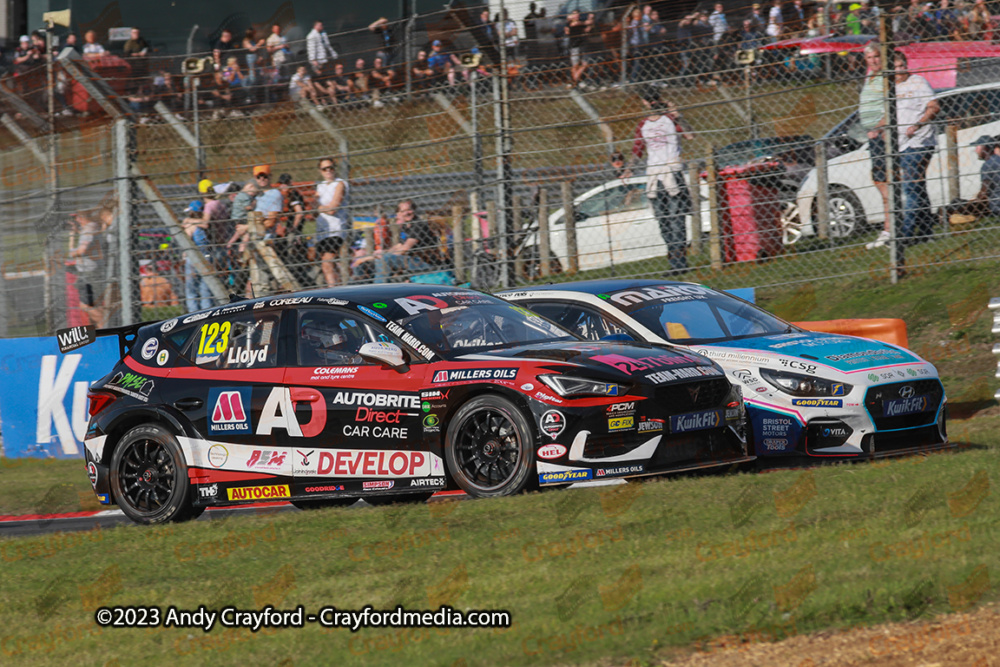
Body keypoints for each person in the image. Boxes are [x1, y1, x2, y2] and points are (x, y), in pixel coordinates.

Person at [867, 50, 940, 249]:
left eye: (902, 66)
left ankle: (903, 236)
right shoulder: (890, 88)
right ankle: (926, 233)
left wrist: (918, 124)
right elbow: (891, 115)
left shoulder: (918, 82)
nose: (899, 71)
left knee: (910, 187)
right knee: (917, 186)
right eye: (895, 67)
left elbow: (934, 106)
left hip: (919, 142)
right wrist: (877, 128)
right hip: (900, 144)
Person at [632, 90, 694, 274]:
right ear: (644, 102)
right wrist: (628, 169)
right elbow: (637, 148)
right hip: (654, 175)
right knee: (663, 220)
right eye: (649, 100)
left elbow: (690, 135)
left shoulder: (671, 120)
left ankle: (680, 263)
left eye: (655, 99)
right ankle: (673, 260)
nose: (652, 103)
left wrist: (678, 114)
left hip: (672, 172)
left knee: (677, 219)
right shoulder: (642, 124)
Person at [353, 200, 442, 283]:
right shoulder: (405, 227)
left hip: (423, 262)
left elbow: (404, 249)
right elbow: (398, 246)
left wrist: (383, 254)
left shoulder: (418, 225)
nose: (407, 213)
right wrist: (375, 255)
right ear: (398, 213)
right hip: (410, 261)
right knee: (366, 264)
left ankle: (378, 288)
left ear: (414, 210)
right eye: (403, 211)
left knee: (385, 259)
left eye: (409, 210)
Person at [946, 135, 1000, 220]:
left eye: (977, 147)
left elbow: (984, 192)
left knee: (957, 203)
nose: (975, 150)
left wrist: (972, 203)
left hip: (996, 207)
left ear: (985, 148)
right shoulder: (997, 160)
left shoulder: (987, 165)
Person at [67, 210, 106, 326]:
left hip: (89, 272)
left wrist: (72, 254)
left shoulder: (89, 229)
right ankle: (103, 327)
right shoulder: (90, 228)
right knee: (94, 305)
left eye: (77, 218)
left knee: (85, 305)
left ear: (82, 217)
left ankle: (106, 325)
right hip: (89, 271)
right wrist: (75, 233)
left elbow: (82, 250)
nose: (77, 220)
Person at [315, 156, 349, 287]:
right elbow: (313, 207)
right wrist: (321, 208)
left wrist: (318, 208)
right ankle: (337, 287)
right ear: (320, 171)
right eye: (324, 169)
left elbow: (333, 208)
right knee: (328, 264)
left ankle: (333, 290)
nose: (328, 171)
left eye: (330, 168)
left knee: (327, 262)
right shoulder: (320, 186)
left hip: (335, 229)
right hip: (322, 230)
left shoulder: (340, 184)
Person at [181, 199, 213, 311]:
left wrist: (184, 257)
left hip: (193, 258)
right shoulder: (206, 223)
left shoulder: (190, 224)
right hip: (206, 255)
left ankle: (193, 312)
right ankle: (207, 311)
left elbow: (186, 241)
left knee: (192, 291)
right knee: (205, 288)